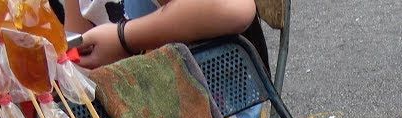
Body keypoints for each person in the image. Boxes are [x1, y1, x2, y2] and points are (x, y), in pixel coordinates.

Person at [63, 0, 260, 69]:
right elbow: (80, 41)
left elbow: (235, 8)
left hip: (215, 111)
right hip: (134, 112)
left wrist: (124, 39)